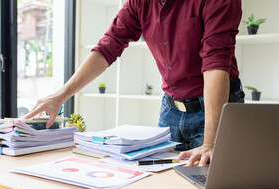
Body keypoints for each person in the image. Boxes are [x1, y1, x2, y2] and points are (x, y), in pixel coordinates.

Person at [24, 0, 244, 167]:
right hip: (171, 110)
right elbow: (108, 46)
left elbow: (216, 62)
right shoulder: (140, 2)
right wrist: (60, 96)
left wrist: (211, 142)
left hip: (216, 110)